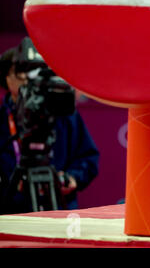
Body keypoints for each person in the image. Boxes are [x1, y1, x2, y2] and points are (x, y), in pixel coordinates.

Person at [0, 39, 99, 213]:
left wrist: (73, 178)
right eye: (22, 74)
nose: (28, 81)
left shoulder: (63, 113)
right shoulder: (2, 118)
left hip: (57, 207)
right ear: (7, 79)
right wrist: (9, 183)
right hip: (12, 211)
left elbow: (89, 159)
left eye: (34, 74)